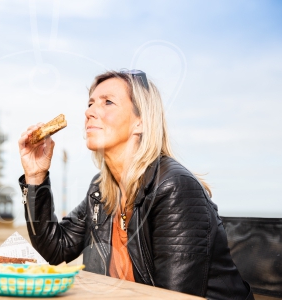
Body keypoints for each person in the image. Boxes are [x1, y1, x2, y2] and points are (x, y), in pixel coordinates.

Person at [18, 69, 253, 299]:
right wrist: (36, 176)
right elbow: (56, 250)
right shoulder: (101, 189)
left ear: (140, 122)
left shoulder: (174, 188)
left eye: (107, 102)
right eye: (90, 104)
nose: (89, 112)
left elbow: (172, 297)